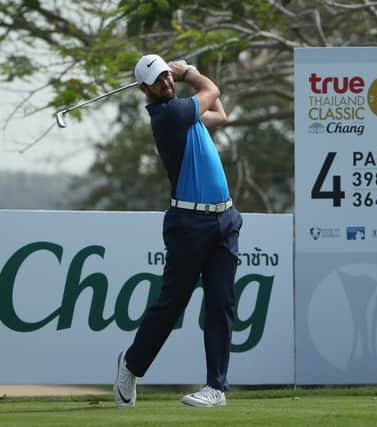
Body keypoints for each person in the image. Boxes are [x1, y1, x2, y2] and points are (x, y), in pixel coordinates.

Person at [113, 54, 242, 408]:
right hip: (190, 224)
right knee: (172, 304)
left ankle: (216, 388)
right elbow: (211, 89)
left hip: (224, 220)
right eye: (159, 81)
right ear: (145, 89)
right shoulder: (168, 115)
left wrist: (183, 75)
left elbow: (221, 113)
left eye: (168, 77)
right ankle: (131, 364)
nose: (166, 83)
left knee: (221, 304)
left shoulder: (187, 115)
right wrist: (189, 72)